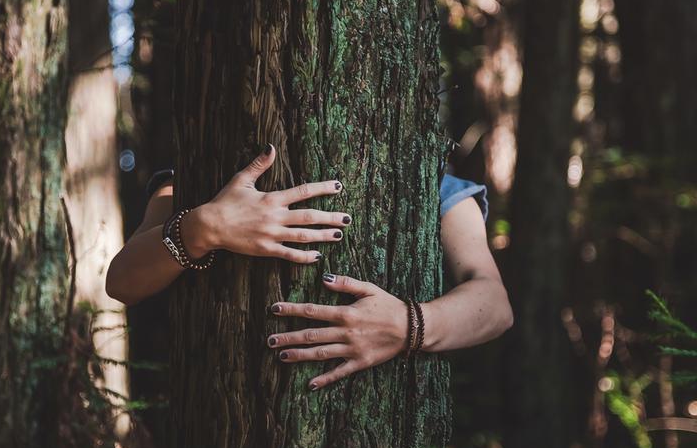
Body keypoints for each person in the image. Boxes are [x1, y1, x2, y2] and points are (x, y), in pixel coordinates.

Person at [106, 143, 513, 388]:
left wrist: (408, 325)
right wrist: (205, 226)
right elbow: (123, 280)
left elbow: (494, 304)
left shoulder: (433, 185)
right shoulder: (196, 175)